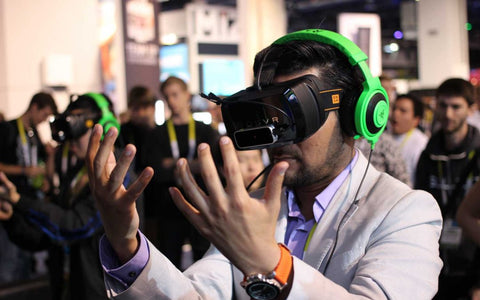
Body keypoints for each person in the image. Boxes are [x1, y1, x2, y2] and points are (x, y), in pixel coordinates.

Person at [87, 29, 442, 299]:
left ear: (355, 114)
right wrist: (126, 243)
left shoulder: (406, 213)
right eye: (268, 113)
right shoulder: (252, 208)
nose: (279, 134)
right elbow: (196, 293)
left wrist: (271, 266)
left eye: (297, 113)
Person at [0, 93, 122, 300]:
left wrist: (20, 201)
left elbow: (74, 226)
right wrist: (12, 218)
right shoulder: (77, 173)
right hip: (68, 287)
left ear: (104, 127)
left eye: (78, 129)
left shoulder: (118, 175)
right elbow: (48, 235)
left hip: (100, 291)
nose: (71, 141)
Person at [140, 76, 221, 269]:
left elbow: (211, 165)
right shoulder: (157, 134)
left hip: (201, 206)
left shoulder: (206, 131)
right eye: (167, 97)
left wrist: (174, 165)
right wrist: (193, 165)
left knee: (205, 263)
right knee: (170, 264)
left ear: (186, 95)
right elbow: (156, 171)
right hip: (169, 209)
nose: (171, 101)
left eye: (175, 95)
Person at [415, 78, 480, 299]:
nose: (448, 114)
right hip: (437, 265)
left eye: (456, 107)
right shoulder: (428, 153)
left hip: (473, 265)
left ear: (471, 109)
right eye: (442, 105)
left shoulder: (478, 152)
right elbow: (420, 206)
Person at [0, 91, 57, 284]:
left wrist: (49, 157)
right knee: (10, 259)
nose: (43, 121)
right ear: (34, 108)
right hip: (8, 203)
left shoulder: (35, 135)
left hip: (28, 202)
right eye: (44, 115)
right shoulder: (7, 129)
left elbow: (43, 169)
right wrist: (24, 171)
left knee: (25, 257)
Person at [390, 93, 429, 185]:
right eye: (394, 108)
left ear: (416, 119)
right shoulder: (383, 137)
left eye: (403, 111)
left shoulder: (421, 143)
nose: (395, 114)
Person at [118, 85, 157, 173]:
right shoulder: (122, 132)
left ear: (153, 108)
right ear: (129, 109)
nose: (141, 113)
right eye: (136, 108)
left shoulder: (161, 132)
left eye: (145, 107)